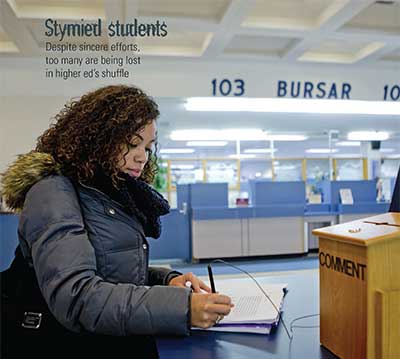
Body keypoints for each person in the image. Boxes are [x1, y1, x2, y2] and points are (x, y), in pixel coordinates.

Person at [0, 85, 233, 357]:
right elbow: (77, 298)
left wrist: (166, 281)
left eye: (148, 147)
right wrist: (182, 308)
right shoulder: (53, 193)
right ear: (97, 138)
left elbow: (110, 269)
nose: (142, 156)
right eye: (132, 143)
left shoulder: (108, 191)